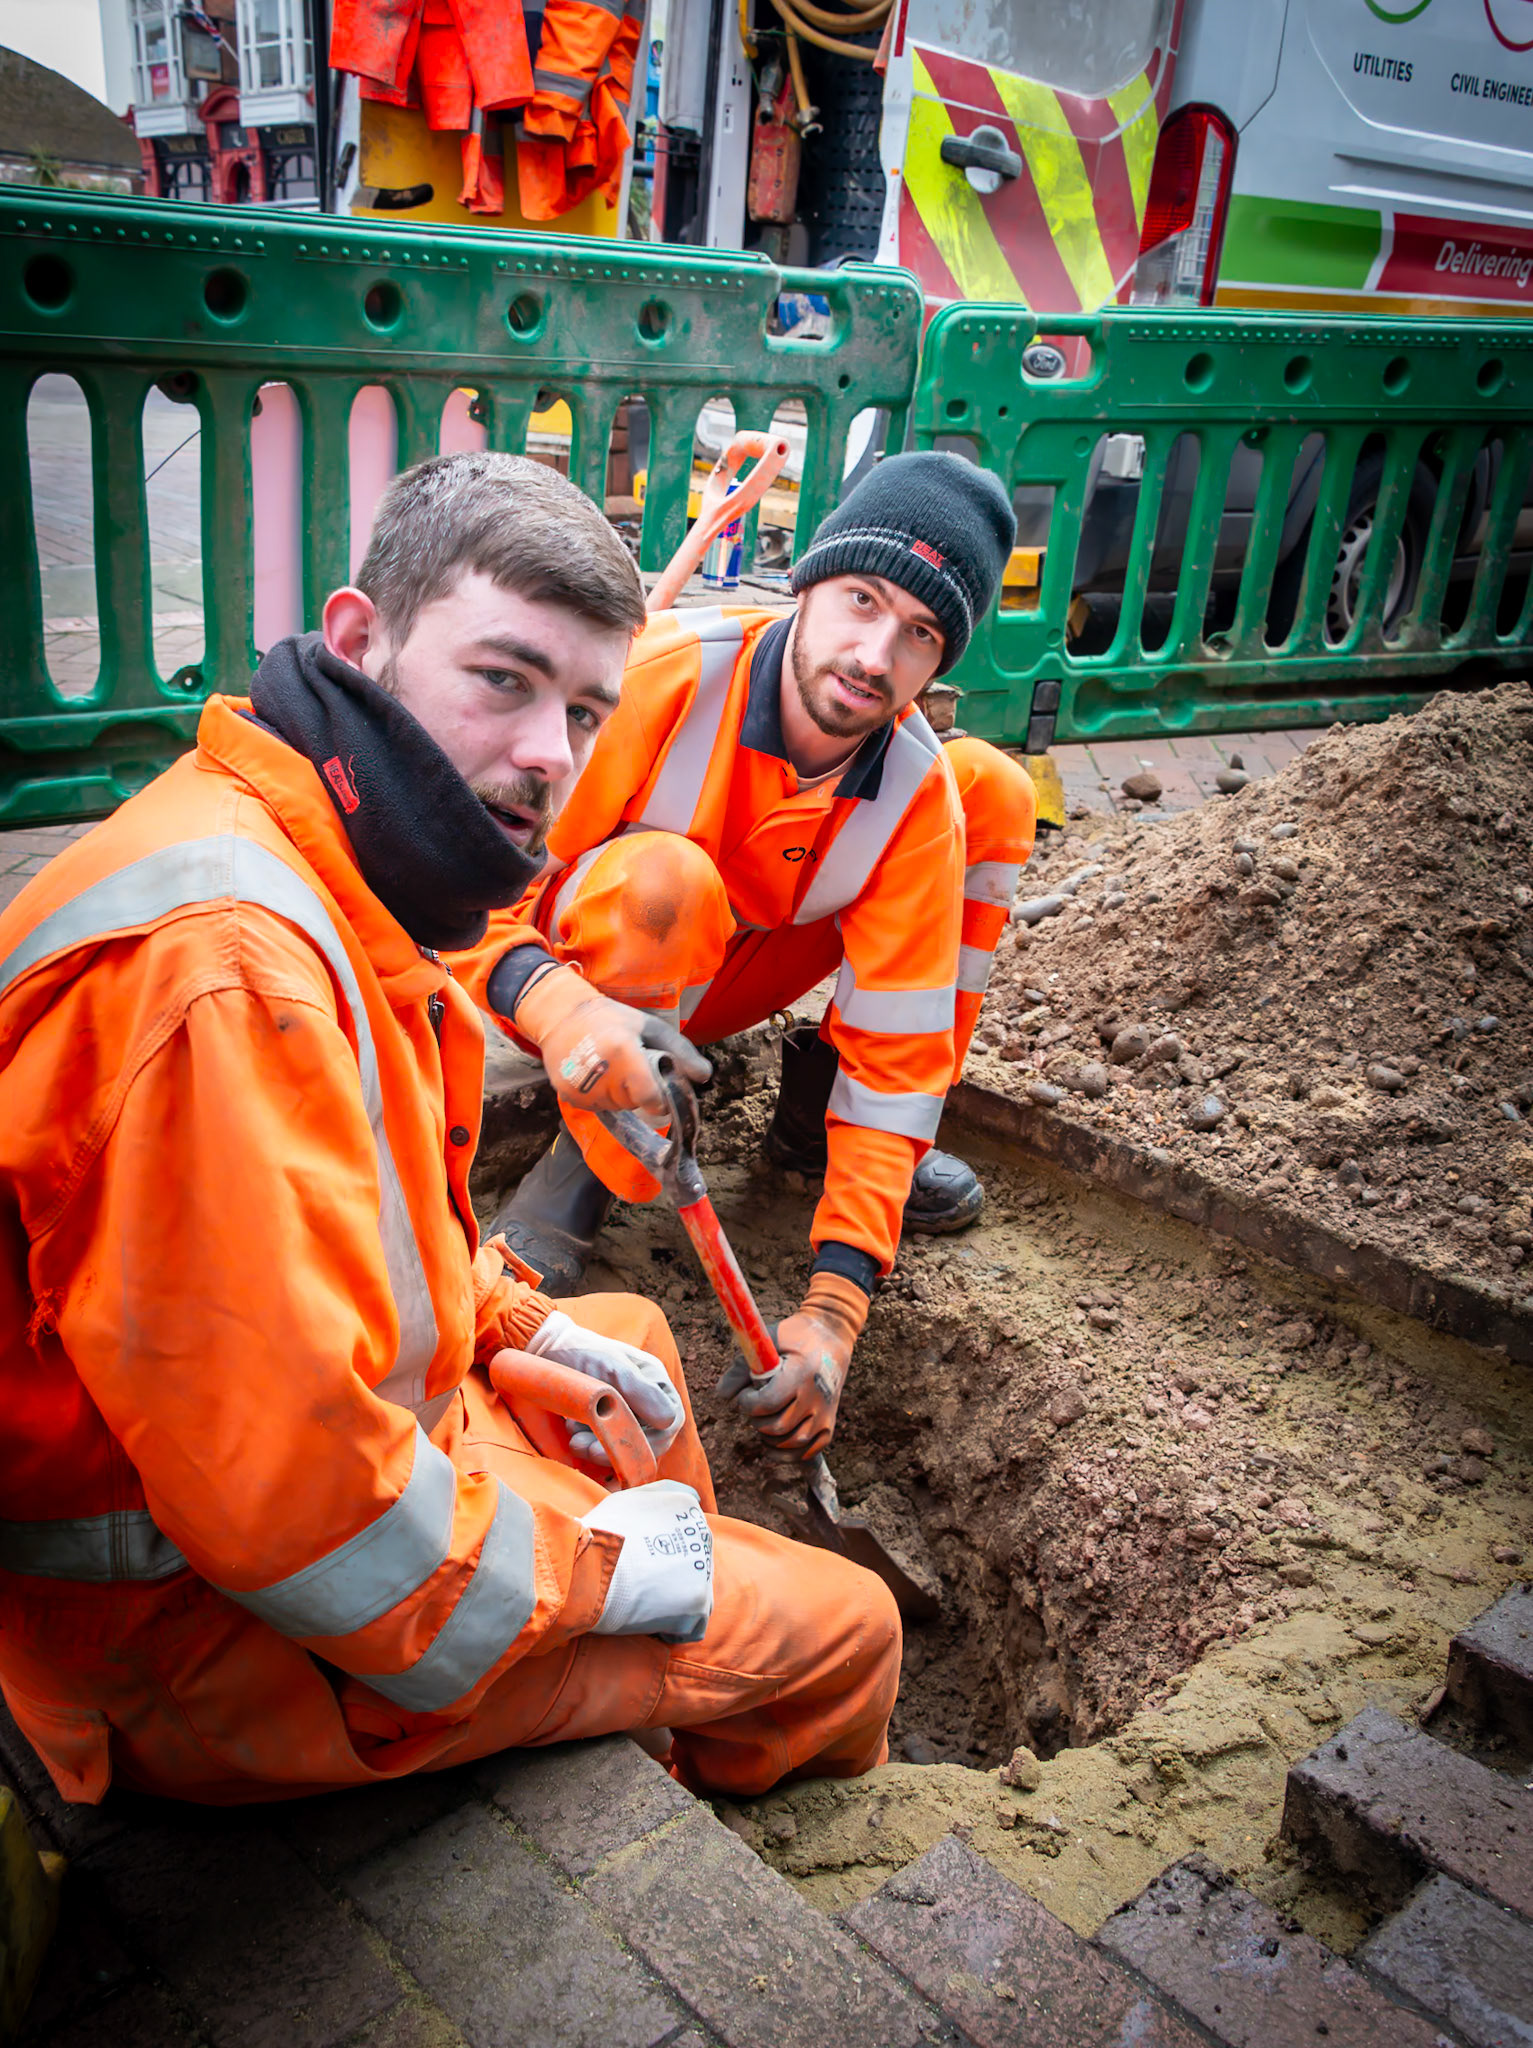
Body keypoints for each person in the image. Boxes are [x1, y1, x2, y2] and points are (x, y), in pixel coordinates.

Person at [0, 452, 899, 1809]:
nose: (552, 754)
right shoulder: (225, 986)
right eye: (505, 680)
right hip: (190, 1639)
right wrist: (601, 1581)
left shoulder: (317, 858)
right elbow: (310, 1524)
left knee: (634, 1350)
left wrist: (514, 1326)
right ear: (363, 639)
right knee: (851, 1633)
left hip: (283, 1506)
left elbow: (350, 1229)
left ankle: (642, 1717)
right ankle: (683, 1774)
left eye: (587, 710)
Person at [459, 451, 1037, 1467]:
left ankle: (815, 1121)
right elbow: (464, 901)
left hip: (723, 974)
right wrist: (557, 1012)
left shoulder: (911, 790)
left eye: (919, 633)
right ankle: (586, 1168)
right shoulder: (660, 678)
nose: (873, 652)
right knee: (665, 883)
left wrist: (836, 1308)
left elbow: (902, 1056)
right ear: (808, 582)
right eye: (861, 600)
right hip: (564, 973)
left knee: (991, 792)